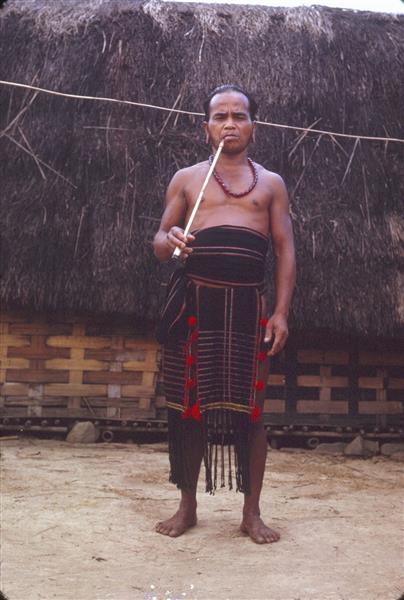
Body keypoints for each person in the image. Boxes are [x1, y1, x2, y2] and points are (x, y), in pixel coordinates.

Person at [153, 84, 296, 544]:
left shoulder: (270, 184)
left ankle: (251, 513)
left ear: (254, 126)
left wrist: (280, 312)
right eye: (220, 117)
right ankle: (187, 506)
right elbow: (159, 243)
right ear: (206, 128)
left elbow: (284, 250)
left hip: (249, 310)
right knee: (188, 411)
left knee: (251, 414)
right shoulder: (186, 179)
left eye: (239, 116)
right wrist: (171, 238)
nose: (229, 124)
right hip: (194, 306)